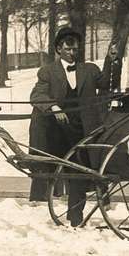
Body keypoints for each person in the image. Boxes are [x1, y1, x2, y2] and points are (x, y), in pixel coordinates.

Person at [28, 26, 107, 225]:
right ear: (58, 49)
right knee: (60, 167)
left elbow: (107, 83)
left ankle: (75, 216)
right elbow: (37, 96)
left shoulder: (89, 70)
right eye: (67, 49)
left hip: (83, 129)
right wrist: (54, 107)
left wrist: (113, 59)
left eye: (75, 50)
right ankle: (49, 193)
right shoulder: (47, 71)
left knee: (79, 172)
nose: (72, 53)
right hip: (57, 130)